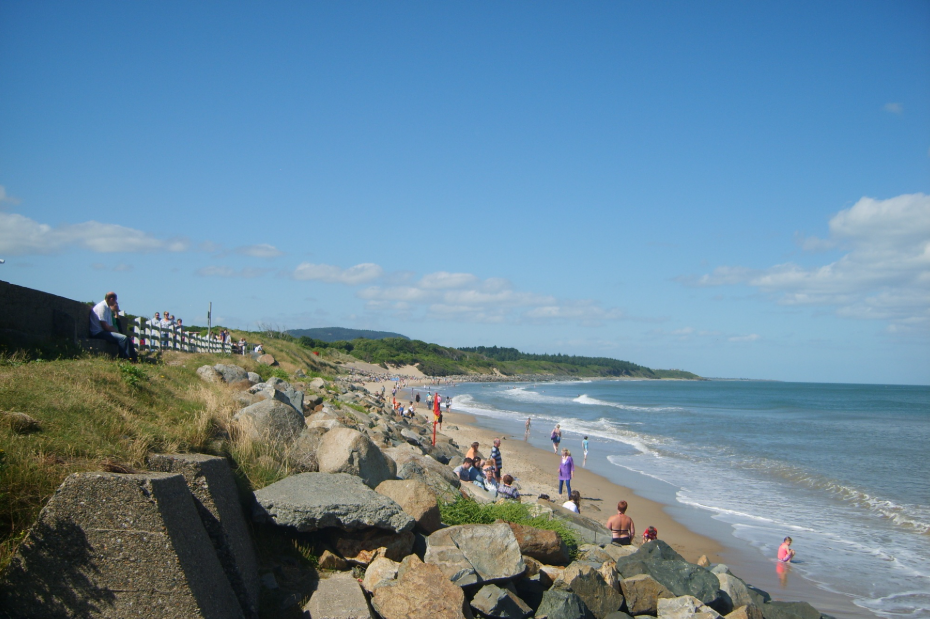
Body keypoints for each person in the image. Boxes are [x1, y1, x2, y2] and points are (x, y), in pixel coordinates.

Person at [88, 291, 137, 361]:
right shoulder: (102, 307)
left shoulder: (107, 308)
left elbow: (110, 325)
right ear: (111, 299)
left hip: (104, 331)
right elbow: (105, 326)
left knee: (127, 339)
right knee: (123, 339)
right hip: (98, 332)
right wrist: (118, 333)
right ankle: (125, 359)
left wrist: (117, 333)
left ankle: (134, 360)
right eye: (115, 300)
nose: (115, 302)